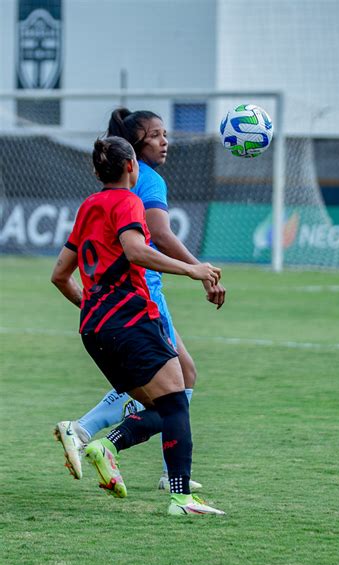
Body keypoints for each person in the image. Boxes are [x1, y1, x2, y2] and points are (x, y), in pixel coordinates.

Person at [51, 136, 225, 515]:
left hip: (94, 329)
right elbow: (135, 249)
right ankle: (182, 499)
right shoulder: (128, 201)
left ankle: (105, 445)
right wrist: (193, 269)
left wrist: (93, 305)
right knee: (177, 405)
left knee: (163, 409)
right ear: (132, 167)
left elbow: (60, 275)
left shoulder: (88, 206)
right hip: (130, 320)